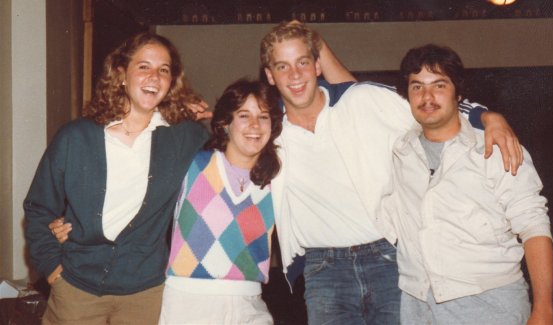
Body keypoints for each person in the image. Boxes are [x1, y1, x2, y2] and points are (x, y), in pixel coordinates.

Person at [260, 21, 524, 324]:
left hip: (386, 259)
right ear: (270, 75)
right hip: (324, 272)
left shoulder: (362, 100)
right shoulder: (267, 130)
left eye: (302, 62)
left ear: (317, 65)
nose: (294, 75)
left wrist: (486, 116)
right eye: (282, 66)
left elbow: (427, 106)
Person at [24, 32, 210, 325]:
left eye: (164, 70)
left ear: (171, 82)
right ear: (122, 74)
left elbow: (235, 141)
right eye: (144, 66)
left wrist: (199, 114)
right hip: (76, 289)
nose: (154, 77)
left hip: (145, 295)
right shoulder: (76, 137)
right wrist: (52, 269)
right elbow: (38, 208)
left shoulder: (184, 137)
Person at [388, 44, 553, 325]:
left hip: (489, 303)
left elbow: (534, 227)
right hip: (417, 305)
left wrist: (544, 310)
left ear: (459, 94)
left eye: (439, 85)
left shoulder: (497, 148)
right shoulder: (399, 151)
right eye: (417, 87)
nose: (427, 96)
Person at [159, 79, 283, 324]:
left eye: (264, 116)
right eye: (244, 115)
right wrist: (174, 113)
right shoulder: (194, 163)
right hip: (188, 302)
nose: (255, 125)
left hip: (249, 303)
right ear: (225, 123)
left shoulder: (276, 179)